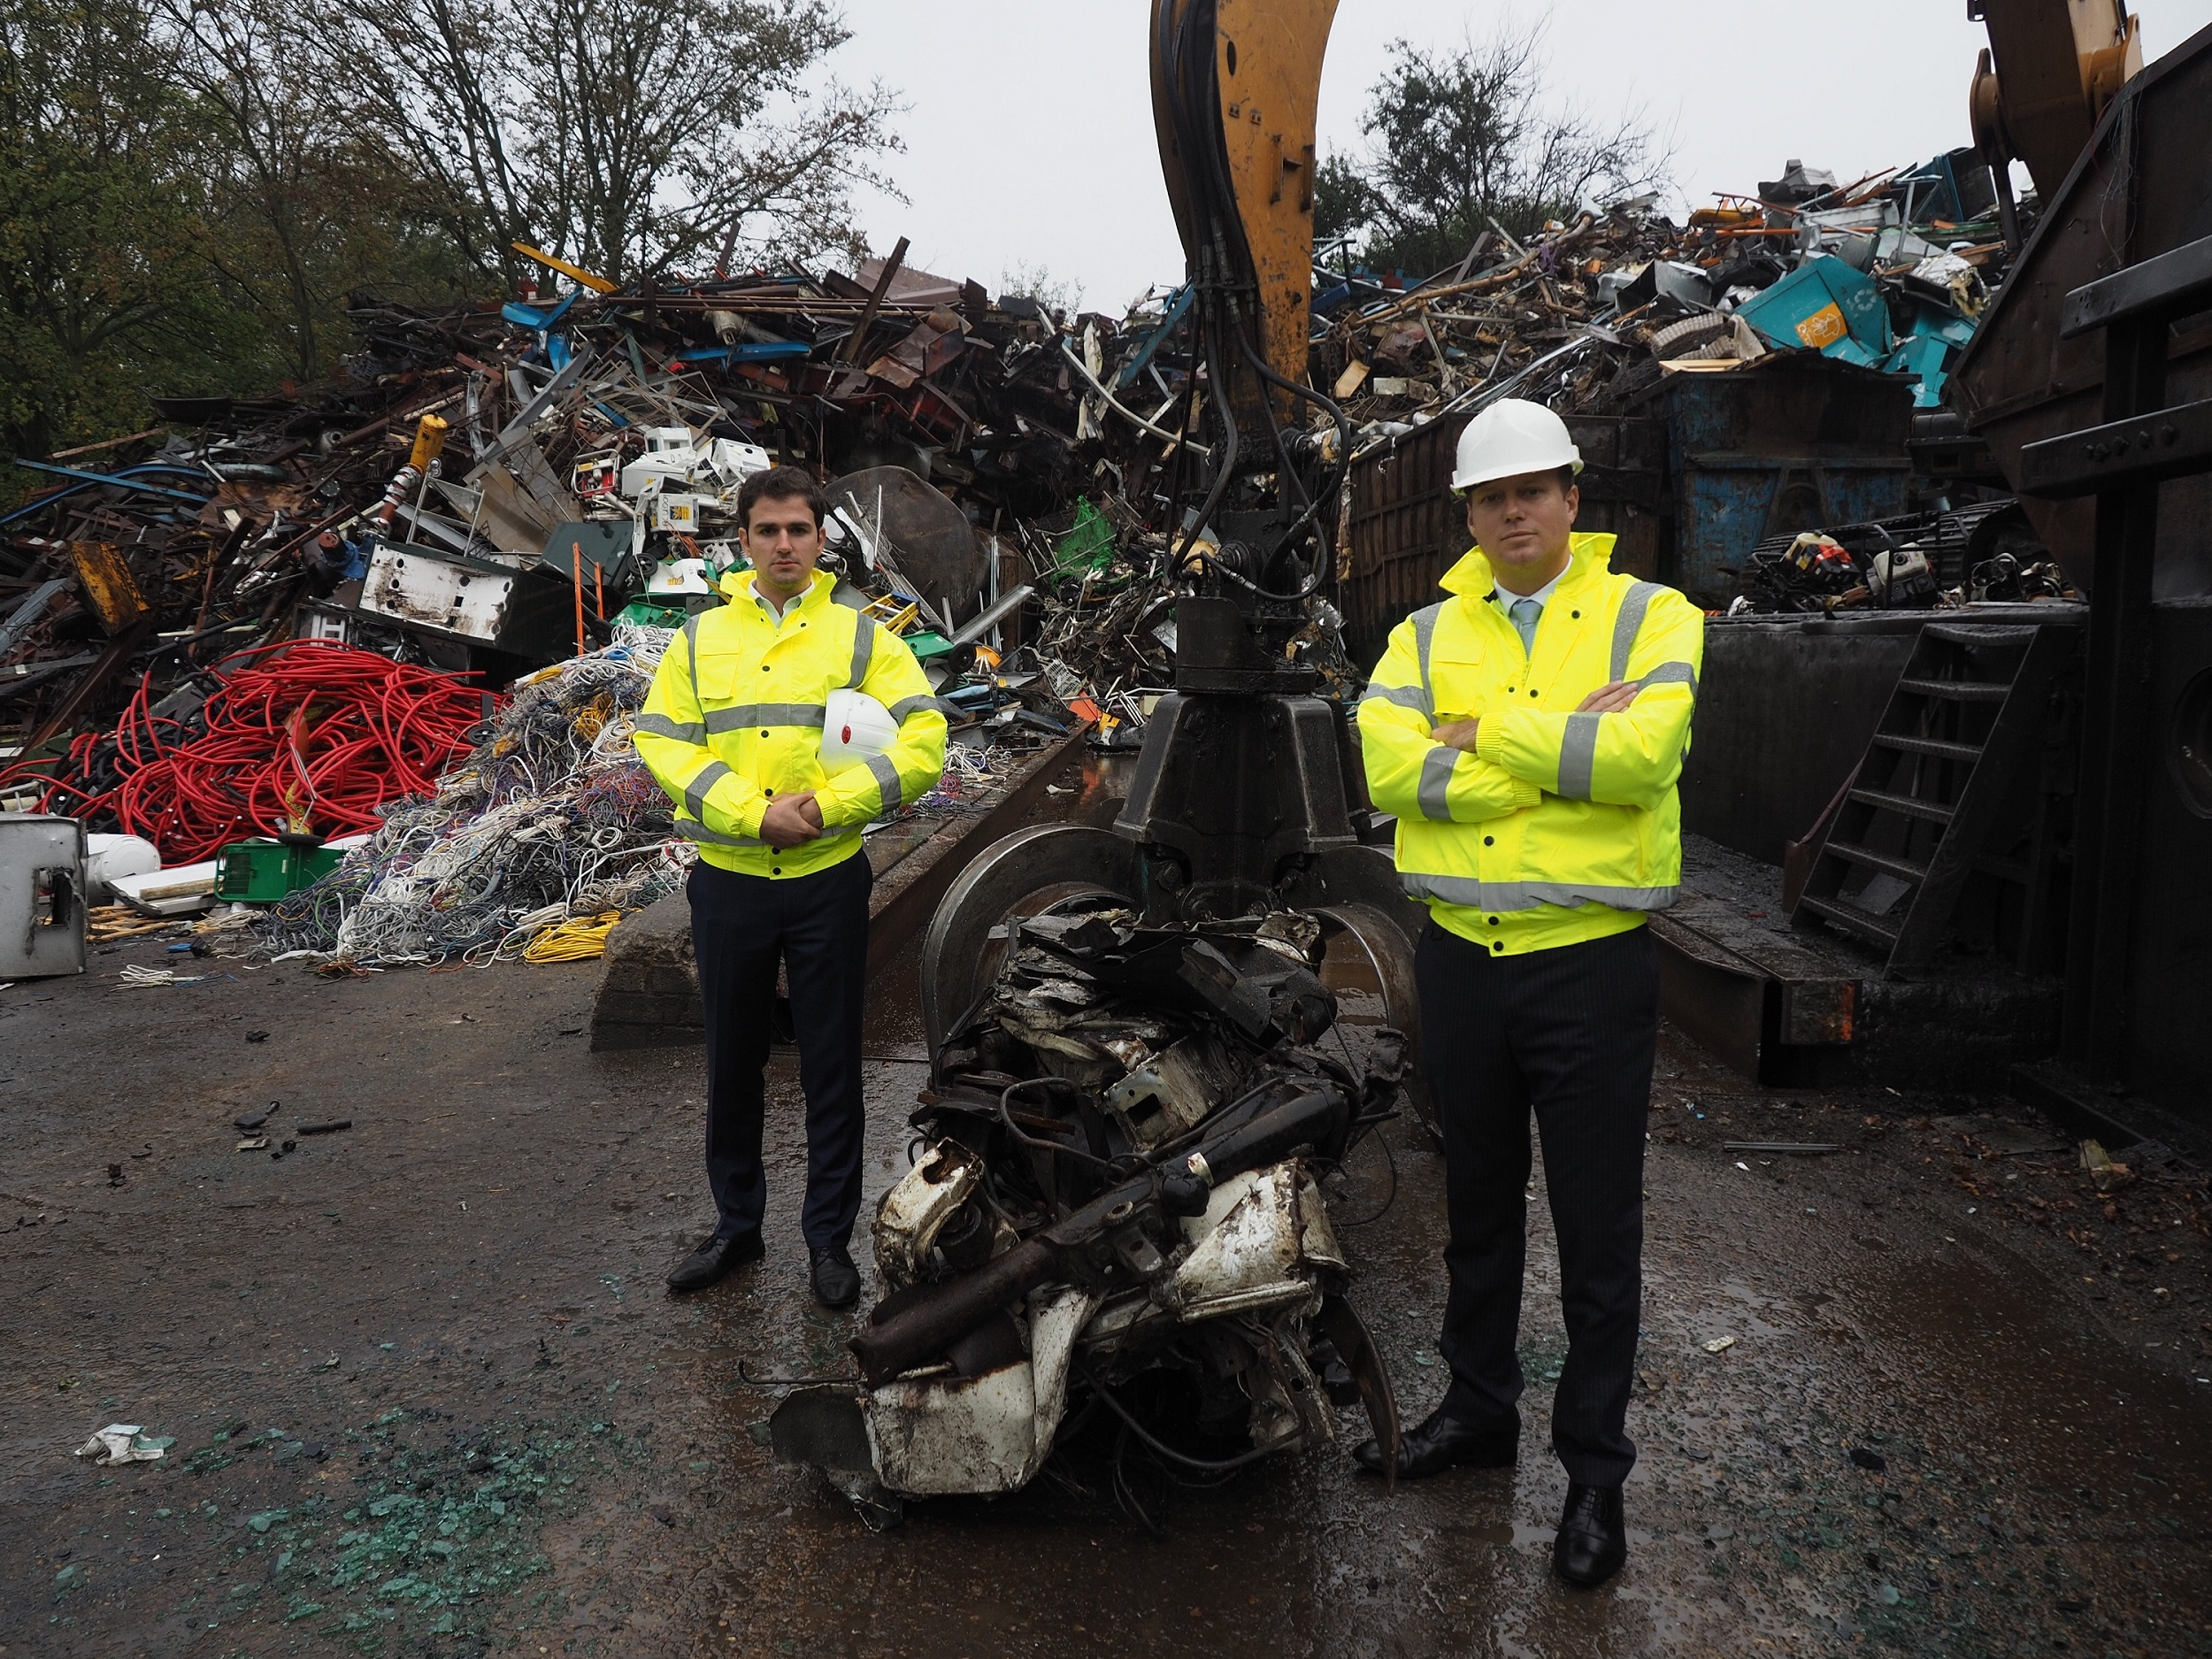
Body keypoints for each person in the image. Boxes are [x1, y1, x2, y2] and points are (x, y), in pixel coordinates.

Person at [1352, 398, 1702, 1589]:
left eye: (1534, 489)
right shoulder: (1421, 633)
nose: (1514, 510)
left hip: (1589, 964)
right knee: (1479, 1210)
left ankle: (1595, 1476)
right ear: (1468, 511)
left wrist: (1480, 738)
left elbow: (1641, 757)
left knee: (1599, 1232)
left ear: (1571, 495)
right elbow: (1392, 765)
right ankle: (1479, 1404)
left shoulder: (1652, 616)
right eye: (1493, 496)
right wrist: (1554, 751)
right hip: (1458, 957)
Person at [634, 465, 947, 1309]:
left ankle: (827, 1242)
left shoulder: (859, 636)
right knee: (731, 1065)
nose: (783, 545)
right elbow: (662, 741)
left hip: (825, 881)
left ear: (820, 539)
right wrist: (750, 811)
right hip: (730, 884)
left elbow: (925, 739)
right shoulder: (701, 641)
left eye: (798, 531)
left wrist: (832, 804)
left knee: (830, 1065)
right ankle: (737, 1230)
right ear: (743, 540)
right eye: (767, 530)